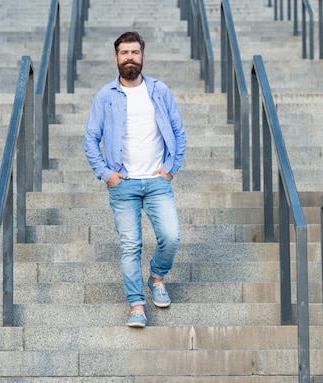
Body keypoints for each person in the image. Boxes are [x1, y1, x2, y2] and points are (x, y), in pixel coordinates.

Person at [83, 31, 186, 328]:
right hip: (123, 183)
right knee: (130, 246)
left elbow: (179, 133)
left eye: (135, 52)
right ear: (116, 58)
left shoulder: (159, 91)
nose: (130, 57)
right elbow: (91, 139)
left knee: (170, 236)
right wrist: (106, 174)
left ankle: (156, 277)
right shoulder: (105, 96)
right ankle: (137, 305)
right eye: (124, 53)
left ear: (143, 56)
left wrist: (170, 168)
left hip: (157, 181)